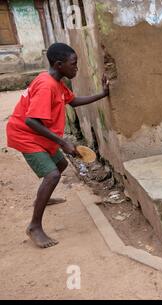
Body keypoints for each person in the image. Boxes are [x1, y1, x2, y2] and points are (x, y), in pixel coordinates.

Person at [6, 43, 110, 248]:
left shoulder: (57, 82)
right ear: (59, 64)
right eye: (73, 64)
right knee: (52, 174)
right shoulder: (47, 86)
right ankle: (34, 226)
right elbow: (31, 121)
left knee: (61, 166)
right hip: (25, 135)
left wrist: (103, 94)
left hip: (40, 135)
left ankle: (42, 199)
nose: (76, 68)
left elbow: (74, 101)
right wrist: (63, 142)